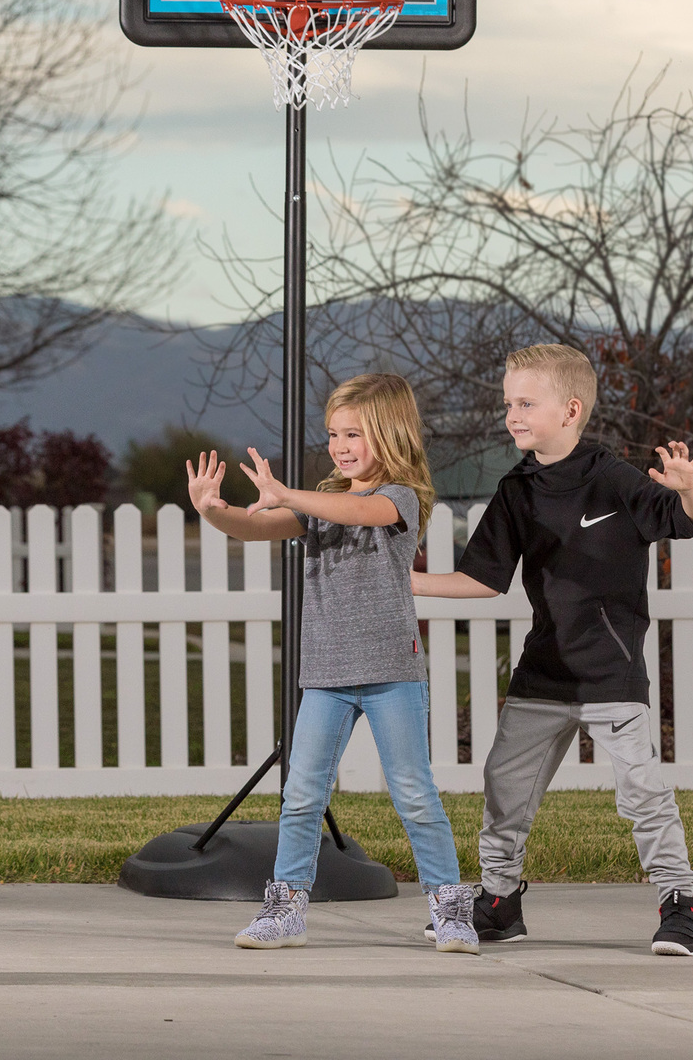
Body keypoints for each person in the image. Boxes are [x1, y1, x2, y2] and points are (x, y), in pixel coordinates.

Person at [413, 343, 693, 956]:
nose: (511, 415)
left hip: (611, 672)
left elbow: (691, 523)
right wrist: (407, 583)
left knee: (641, 792)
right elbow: (483, 579)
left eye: (526, 403)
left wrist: (688, 490)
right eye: (507, 404)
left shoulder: (614, 478)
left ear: (570, 409)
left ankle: (680, 903)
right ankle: (498, 901)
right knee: (504, 785)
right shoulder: (517, 490)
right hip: (542, 675)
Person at [186, 373, 478, 954]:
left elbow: (361, 512)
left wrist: (290, 494)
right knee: (302, 795)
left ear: (390, 434)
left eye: (354, 434)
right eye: (333, 434)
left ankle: (450, 909)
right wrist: (214, 511)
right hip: (325, 677)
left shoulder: (398, 497)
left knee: (414, 793)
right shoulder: (321, 502)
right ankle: (286, 907)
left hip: (392, 672)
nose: (340, 445)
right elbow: (258, 525)